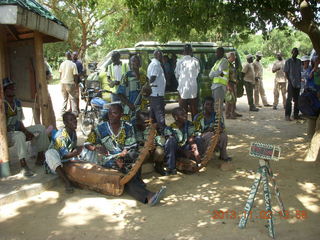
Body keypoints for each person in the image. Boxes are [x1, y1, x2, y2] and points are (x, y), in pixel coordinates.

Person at [85, 103, 167, 205]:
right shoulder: (100, 128)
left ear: (121, 115)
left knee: (134, 156)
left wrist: (122, 157)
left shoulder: (127, 127)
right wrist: (95, 147)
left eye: (114, 113)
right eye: (109, 113)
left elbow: (131, 146)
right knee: (125, 171)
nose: (110, 115)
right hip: (109, 158)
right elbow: (87, 143)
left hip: (125, 155)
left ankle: (144, 192)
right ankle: (148, 195)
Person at [3, 77, 50, 177]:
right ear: (4, 90)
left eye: (13, 87)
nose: (12, 89)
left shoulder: (17, 102)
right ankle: (23, 165)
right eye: (9, 88)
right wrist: (23, 132)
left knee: (40, 128)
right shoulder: (2, 104)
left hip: (18, 130)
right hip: (6, 135)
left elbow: (19, 121)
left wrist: (26, 131)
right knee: (19, 135)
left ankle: (40, 156)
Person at [45, 112, 82, 193]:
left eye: (75, 119)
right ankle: (66, 182)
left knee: (88, 147)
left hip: (67, 160)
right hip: (56, 163)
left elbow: (72, 148)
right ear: (65, 123)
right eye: (71, 120)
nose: (75, 121)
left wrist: (79, 150)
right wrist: (77, 152)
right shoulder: (61, 135)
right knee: (49, 153)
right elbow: (65, 155)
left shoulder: (73, 132)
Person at [164, 107, 201, 175]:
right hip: (176, 152)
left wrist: (195, 151)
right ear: (176, 117)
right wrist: (184, 152)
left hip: (186, 149)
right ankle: (171, 167)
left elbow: (191, 139)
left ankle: (196, 160)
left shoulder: (189, 124)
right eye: (182, 114)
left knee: (198, 139)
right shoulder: (169, 129)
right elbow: (170, 145)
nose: (185, 116)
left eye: (185, 114)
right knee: (170, 141)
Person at [194, 97, 231, 163]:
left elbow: (223, 127)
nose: (210, 106)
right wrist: (207, 131)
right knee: (209, 134)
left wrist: (220, 129)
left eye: (211, 105)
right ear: (203, 105)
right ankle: (205, 155)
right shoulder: (198, 117)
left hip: (215, 137)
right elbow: (195, 133)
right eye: (207, 104)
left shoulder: (217, 116)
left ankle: (223, 155)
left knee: (223, 135)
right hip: (203, 140)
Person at [117, 55, 150, 123]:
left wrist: (147, 91)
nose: (135, 63)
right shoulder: (126, 76)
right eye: (133, 61)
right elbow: (119, 94)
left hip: (142, 110)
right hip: (130, 109)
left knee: (142, 129)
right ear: (129, 64)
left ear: (140, 64)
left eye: (137, 61)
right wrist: (129, 104)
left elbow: (148, 94)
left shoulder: (144, 77)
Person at [135, 111, 166, 175]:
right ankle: (138, 172)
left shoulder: (152, 127)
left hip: (153, 148)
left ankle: (158, 166)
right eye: (145, 122)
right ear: (139, 122)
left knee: (160, 152)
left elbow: (160, 139)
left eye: (149, 121)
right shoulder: (134, 129)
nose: (148, 124)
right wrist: (146, 146)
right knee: (144, 153)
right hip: (142, 149)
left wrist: (156, 145)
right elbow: (135, 143)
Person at [175, 44, 200, 119]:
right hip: (193, 86)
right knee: (194, 107)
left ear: (183, 52)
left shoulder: (179, 61)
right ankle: (195, 126)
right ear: (191, 51)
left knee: (183, 108)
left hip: (183, 87)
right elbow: (197, 72)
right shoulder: (195, 61)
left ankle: (185, 126)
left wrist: (181, 80)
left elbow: (177, 74)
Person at [147, 50, 166, 134]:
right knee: (160, 116)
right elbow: (152, 77)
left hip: (155, 93)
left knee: (153, 116)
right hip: (156, 93)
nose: (161, 57)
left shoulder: (155, 63)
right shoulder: (155, 64)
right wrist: (147, 85)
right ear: (157, 56)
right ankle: (163, 133)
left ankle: (154, 133)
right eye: (160, 55)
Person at [209, 47, 229, 113]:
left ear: (222, 53)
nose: (216, 54)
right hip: (215, 86)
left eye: (217, 52)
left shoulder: (224, 61)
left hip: (220, 86)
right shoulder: (217, 62)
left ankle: (219, 122)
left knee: (218, 106)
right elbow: (211, 74)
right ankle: (217, 121)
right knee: (215, 105)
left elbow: (217, 72)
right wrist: (214, 74)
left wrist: (214, 74)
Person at [284, 48, 302, 121]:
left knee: (297, 100)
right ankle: (287, 115)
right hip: (291, 83)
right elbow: (286, 72)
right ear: (292, 52)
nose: (295, 53)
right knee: (289, 100)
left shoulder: (299, 61)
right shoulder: (288, 61)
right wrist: (290, 81)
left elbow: (301, 72)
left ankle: (295, 115)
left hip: (298, 83)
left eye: (297, 52)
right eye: (294, 52)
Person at [59, 51, 78, 116]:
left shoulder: (62, 64)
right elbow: (75, 75)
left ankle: (62, 112)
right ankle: (74, 112)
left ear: (65, 56)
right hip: (70, 83)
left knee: (65, 98)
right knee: (72, 98)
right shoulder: (73, 64)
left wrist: (61, 81)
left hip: (63, 83)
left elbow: (60, 74)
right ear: (70, 56)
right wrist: (75, 83)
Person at [225, 52, 242, 119]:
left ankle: (233, 112)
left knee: (234, 99)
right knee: (229, 100)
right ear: (230, 57)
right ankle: (228, 114)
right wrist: (228, 85)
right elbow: (225, 76)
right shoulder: (227, 65)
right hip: (229, 84)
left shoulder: (231, 64)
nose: (235, 57)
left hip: (233, 83)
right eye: (233, 56)